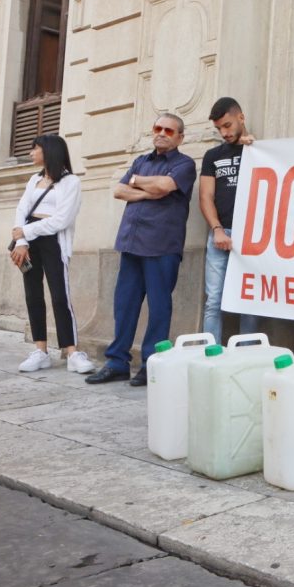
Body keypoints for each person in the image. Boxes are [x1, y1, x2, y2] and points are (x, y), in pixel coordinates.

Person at [86, 113, 197, 386]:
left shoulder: (184, 164)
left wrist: (140, 183)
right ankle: (117, 362)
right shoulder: (141, 162)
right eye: (157, 128)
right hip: (131, 242)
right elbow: (119, 191)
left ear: (180, 137)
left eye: (169, 130)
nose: (161, 133)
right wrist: (146, 188)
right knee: (124, 305)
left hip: (162, 245)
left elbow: (166, 185)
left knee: (159, 308)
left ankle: (151, 364)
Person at [11, 135, 95, 374]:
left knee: (60, 296)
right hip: (28, 243)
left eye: (34, 149)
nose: (31, 153)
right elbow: (22, 210)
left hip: (54, 243)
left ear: (49, 151)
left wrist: (26, 230)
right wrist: (21, 240)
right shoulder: (33, 179)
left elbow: (61, 220)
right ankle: (40, 351)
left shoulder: (71, 182)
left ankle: (72, 353)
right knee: (33, 295)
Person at [199, 97, 260, 345]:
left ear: (241, 118)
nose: (224, 133)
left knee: (250, 299)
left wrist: (254, 147)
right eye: (219, 129)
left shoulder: (257, 149)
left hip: (254, 235)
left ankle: (248, 354)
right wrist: (217, 230)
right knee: (213, 299)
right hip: (221, 232)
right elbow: (205, 196)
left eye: (227, 125)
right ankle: (210, 351)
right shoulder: (212, 155)